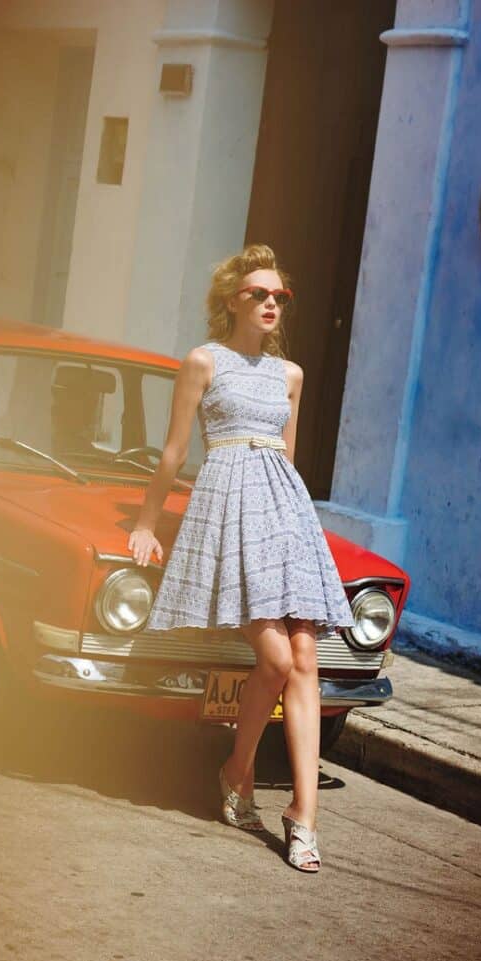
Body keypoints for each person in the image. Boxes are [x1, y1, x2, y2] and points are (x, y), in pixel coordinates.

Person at [128, 243, 355, 872]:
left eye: (280, 296)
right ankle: (236, 769)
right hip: (227, 508)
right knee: (277, 658)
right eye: (259, 294)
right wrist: (148, 523)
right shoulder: (204, 362)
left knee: (306, 656)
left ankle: (302, 816)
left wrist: (303, 532)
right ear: (232, 299)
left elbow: (285, 457)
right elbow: (176, 452)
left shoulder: (291, 376)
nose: (271, 304)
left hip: (283, 513)